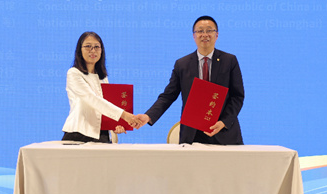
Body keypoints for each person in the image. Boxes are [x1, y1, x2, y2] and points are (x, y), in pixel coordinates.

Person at [135, 16, 245, 145]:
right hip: (192, 135)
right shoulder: (182, 64)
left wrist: (224, 122)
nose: (205, 35)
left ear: (217, 35)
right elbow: (168, 96)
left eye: (209, 30)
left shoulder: (229, 61)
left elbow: (237, 96)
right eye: (200, 31)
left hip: (224, 133)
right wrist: (148, 116)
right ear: (194, 36)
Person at [61, 31, 143, 143]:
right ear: (80, 50)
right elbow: (93, 99)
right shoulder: (74, 73)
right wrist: (124, 115)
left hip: (102, 134)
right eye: (88, 46)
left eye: (96, 47)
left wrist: (116, 124)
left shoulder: (103, 78)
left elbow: (105, 107)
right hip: (79, 133)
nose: (93, 50)